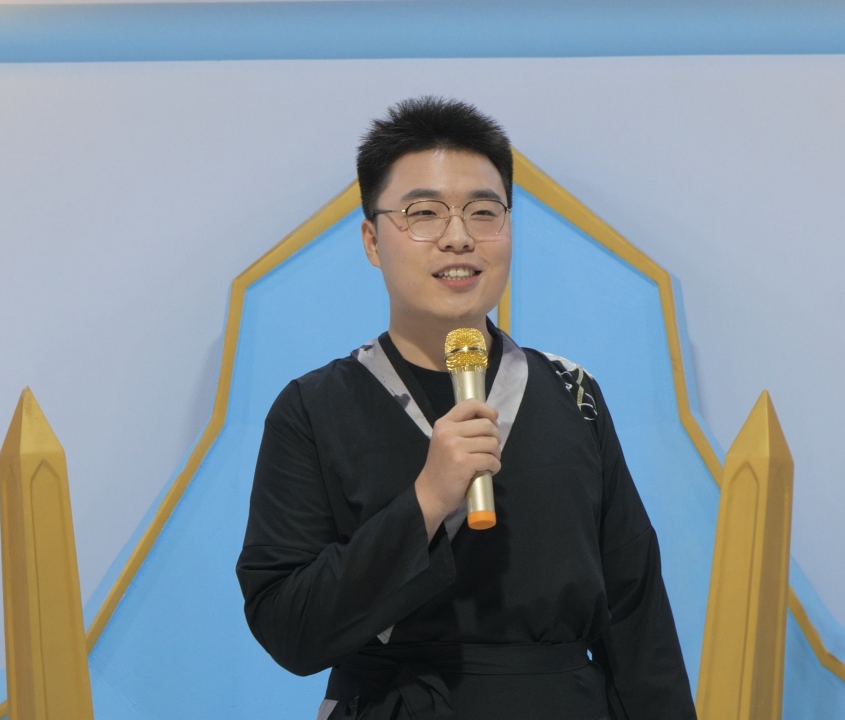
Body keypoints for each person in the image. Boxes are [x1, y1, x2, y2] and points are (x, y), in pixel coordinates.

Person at [236, 96, 696, 720]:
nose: (458, 238)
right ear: (372, 240)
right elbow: (288, 627)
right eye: (423, 214)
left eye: (484, 212)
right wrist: (426, 499)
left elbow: (637, 616)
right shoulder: (313, 408)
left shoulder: (574, 394)